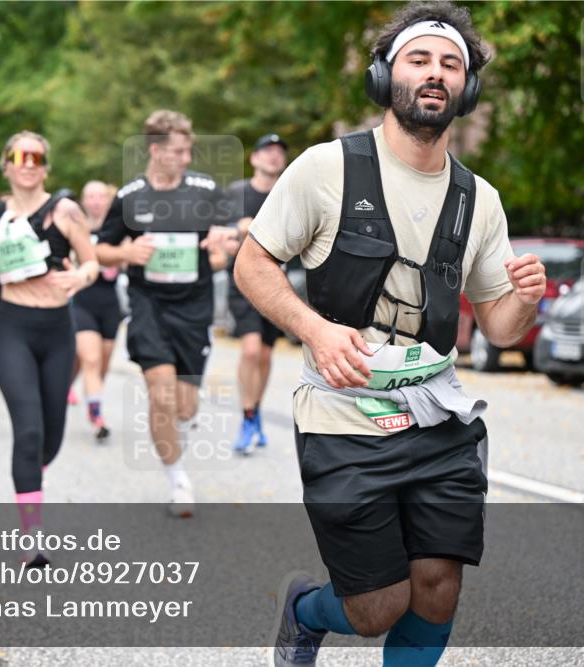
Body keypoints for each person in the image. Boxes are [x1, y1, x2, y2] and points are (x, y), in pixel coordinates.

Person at [233, 4, 548, 665]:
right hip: (343, 418)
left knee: (437, 585)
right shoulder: (326, 169)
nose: (436, 74)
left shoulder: (477, 199)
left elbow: (499, 326)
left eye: (451, 65)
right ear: (384, 76)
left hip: (438, 415)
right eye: (420, 59)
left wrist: (523, 302)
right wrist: (315, 329)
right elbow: (252, 262)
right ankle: (303, 609)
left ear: (468, 88)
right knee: (376, 607)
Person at [95, 109, 238, 517]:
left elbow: (234, 231)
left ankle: (182, 427)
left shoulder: (205, 189)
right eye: (178, 151)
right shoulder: (130, 197)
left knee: (185, 407)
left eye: (188, 150)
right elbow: (101, 248)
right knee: (161, 393)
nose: (186, 158)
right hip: (148, 304)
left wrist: (223, 240)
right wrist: (125, 251)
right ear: (155, 151)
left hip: (194, 308)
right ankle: (178, 480)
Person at [0, 131, 98, 566]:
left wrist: (80, 277)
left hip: (56, 330)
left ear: (45, 166)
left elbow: (92, 261)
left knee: (51, 436)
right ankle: (32, 537)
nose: (27, 162)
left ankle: (30, 478)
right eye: (17, 155)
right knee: (27, 431)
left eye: (36, 156)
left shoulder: (64, 211)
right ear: (5, 165)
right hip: (12, 328)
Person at [226, 133, 289, 455]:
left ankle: (255, 408)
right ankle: (247, 415)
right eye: (267, 151)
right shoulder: (235, 194)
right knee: (250, 350)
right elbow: (217, 236)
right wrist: (237, 229)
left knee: (265, 354)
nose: (274, 157)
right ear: (254, 158)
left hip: (277, 285)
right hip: (242, 282)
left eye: (279, 152)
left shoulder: (288, 195)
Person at [70, 180, 123, 441]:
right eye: (90, 196)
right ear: (83, 200)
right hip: (81, 301)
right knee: (90, 358)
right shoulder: (75, 227)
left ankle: (77, 388)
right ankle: (97, 416)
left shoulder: (118, 228)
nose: (95, 201)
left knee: (100, 362)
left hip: (110, 302)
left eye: (100, 196)